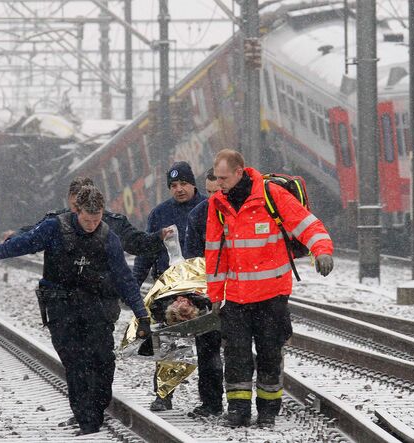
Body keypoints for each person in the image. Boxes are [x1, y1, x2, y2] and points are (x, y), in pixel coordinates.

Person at [0, 185, 152, 436]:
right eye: (87, 220)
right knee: (76, 363)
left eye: (96, 220)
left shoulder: (108, 237)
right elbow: (21, 244)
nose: (91, 225)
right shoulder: (54, 228)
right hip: (61, 306)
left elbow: (124, 278)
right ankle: (87, 421)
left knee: (102, 360)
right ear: (77, 211)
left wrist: (142, 314)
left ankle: (96, 411)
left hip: (95, 307)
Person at [206, 149, 334, 428]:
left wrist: (322, 250)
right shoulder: (217, 204)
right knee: (236, 357)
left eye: (224, 178)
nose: (219, 183)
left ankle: (267, 412)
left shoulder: (270, 195)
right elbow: (216, 254)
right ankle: (238, 410)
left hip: (271, 297)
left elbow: (307, 224)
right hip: (237, 299)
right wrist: (215, 296)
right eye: (217, 178)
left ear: (240, 172)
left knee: (269, 355)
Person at [132, 161, 206, 412]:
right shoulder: (160, 214)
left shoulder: (208, 208)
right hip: (170, 289)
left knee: (208, 347)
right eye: (173, 186)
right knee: (170, 345)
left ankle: (211, 401)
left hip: (203, 288)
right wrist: (134, 285)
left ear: (193, 183)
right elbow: (146, 252)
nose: (179, 189)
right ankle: (164, 396)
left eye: (183, 183)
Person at [5, 176, 169, 257]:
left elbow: (137, 243)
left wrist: (159, 237)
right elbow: (32, 236)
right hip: (63, 304)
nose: (80, 205)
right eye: (77, 199)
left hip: (98, 303)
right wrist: (15, 237)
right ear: (69, 198)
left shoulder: (111, 223)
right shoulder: (55, 221)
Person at [180, 168, 224, 417]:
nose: (213, 198)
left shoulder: (243, 211)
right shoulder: (199, 216)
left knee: (241, 351)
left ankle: (246, 405)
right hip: (208, 290)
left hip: (242, 290)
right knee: (208, 350)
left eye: (217, 192)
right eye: (208, 193)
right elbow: (192, 259)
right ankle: (211, 403)